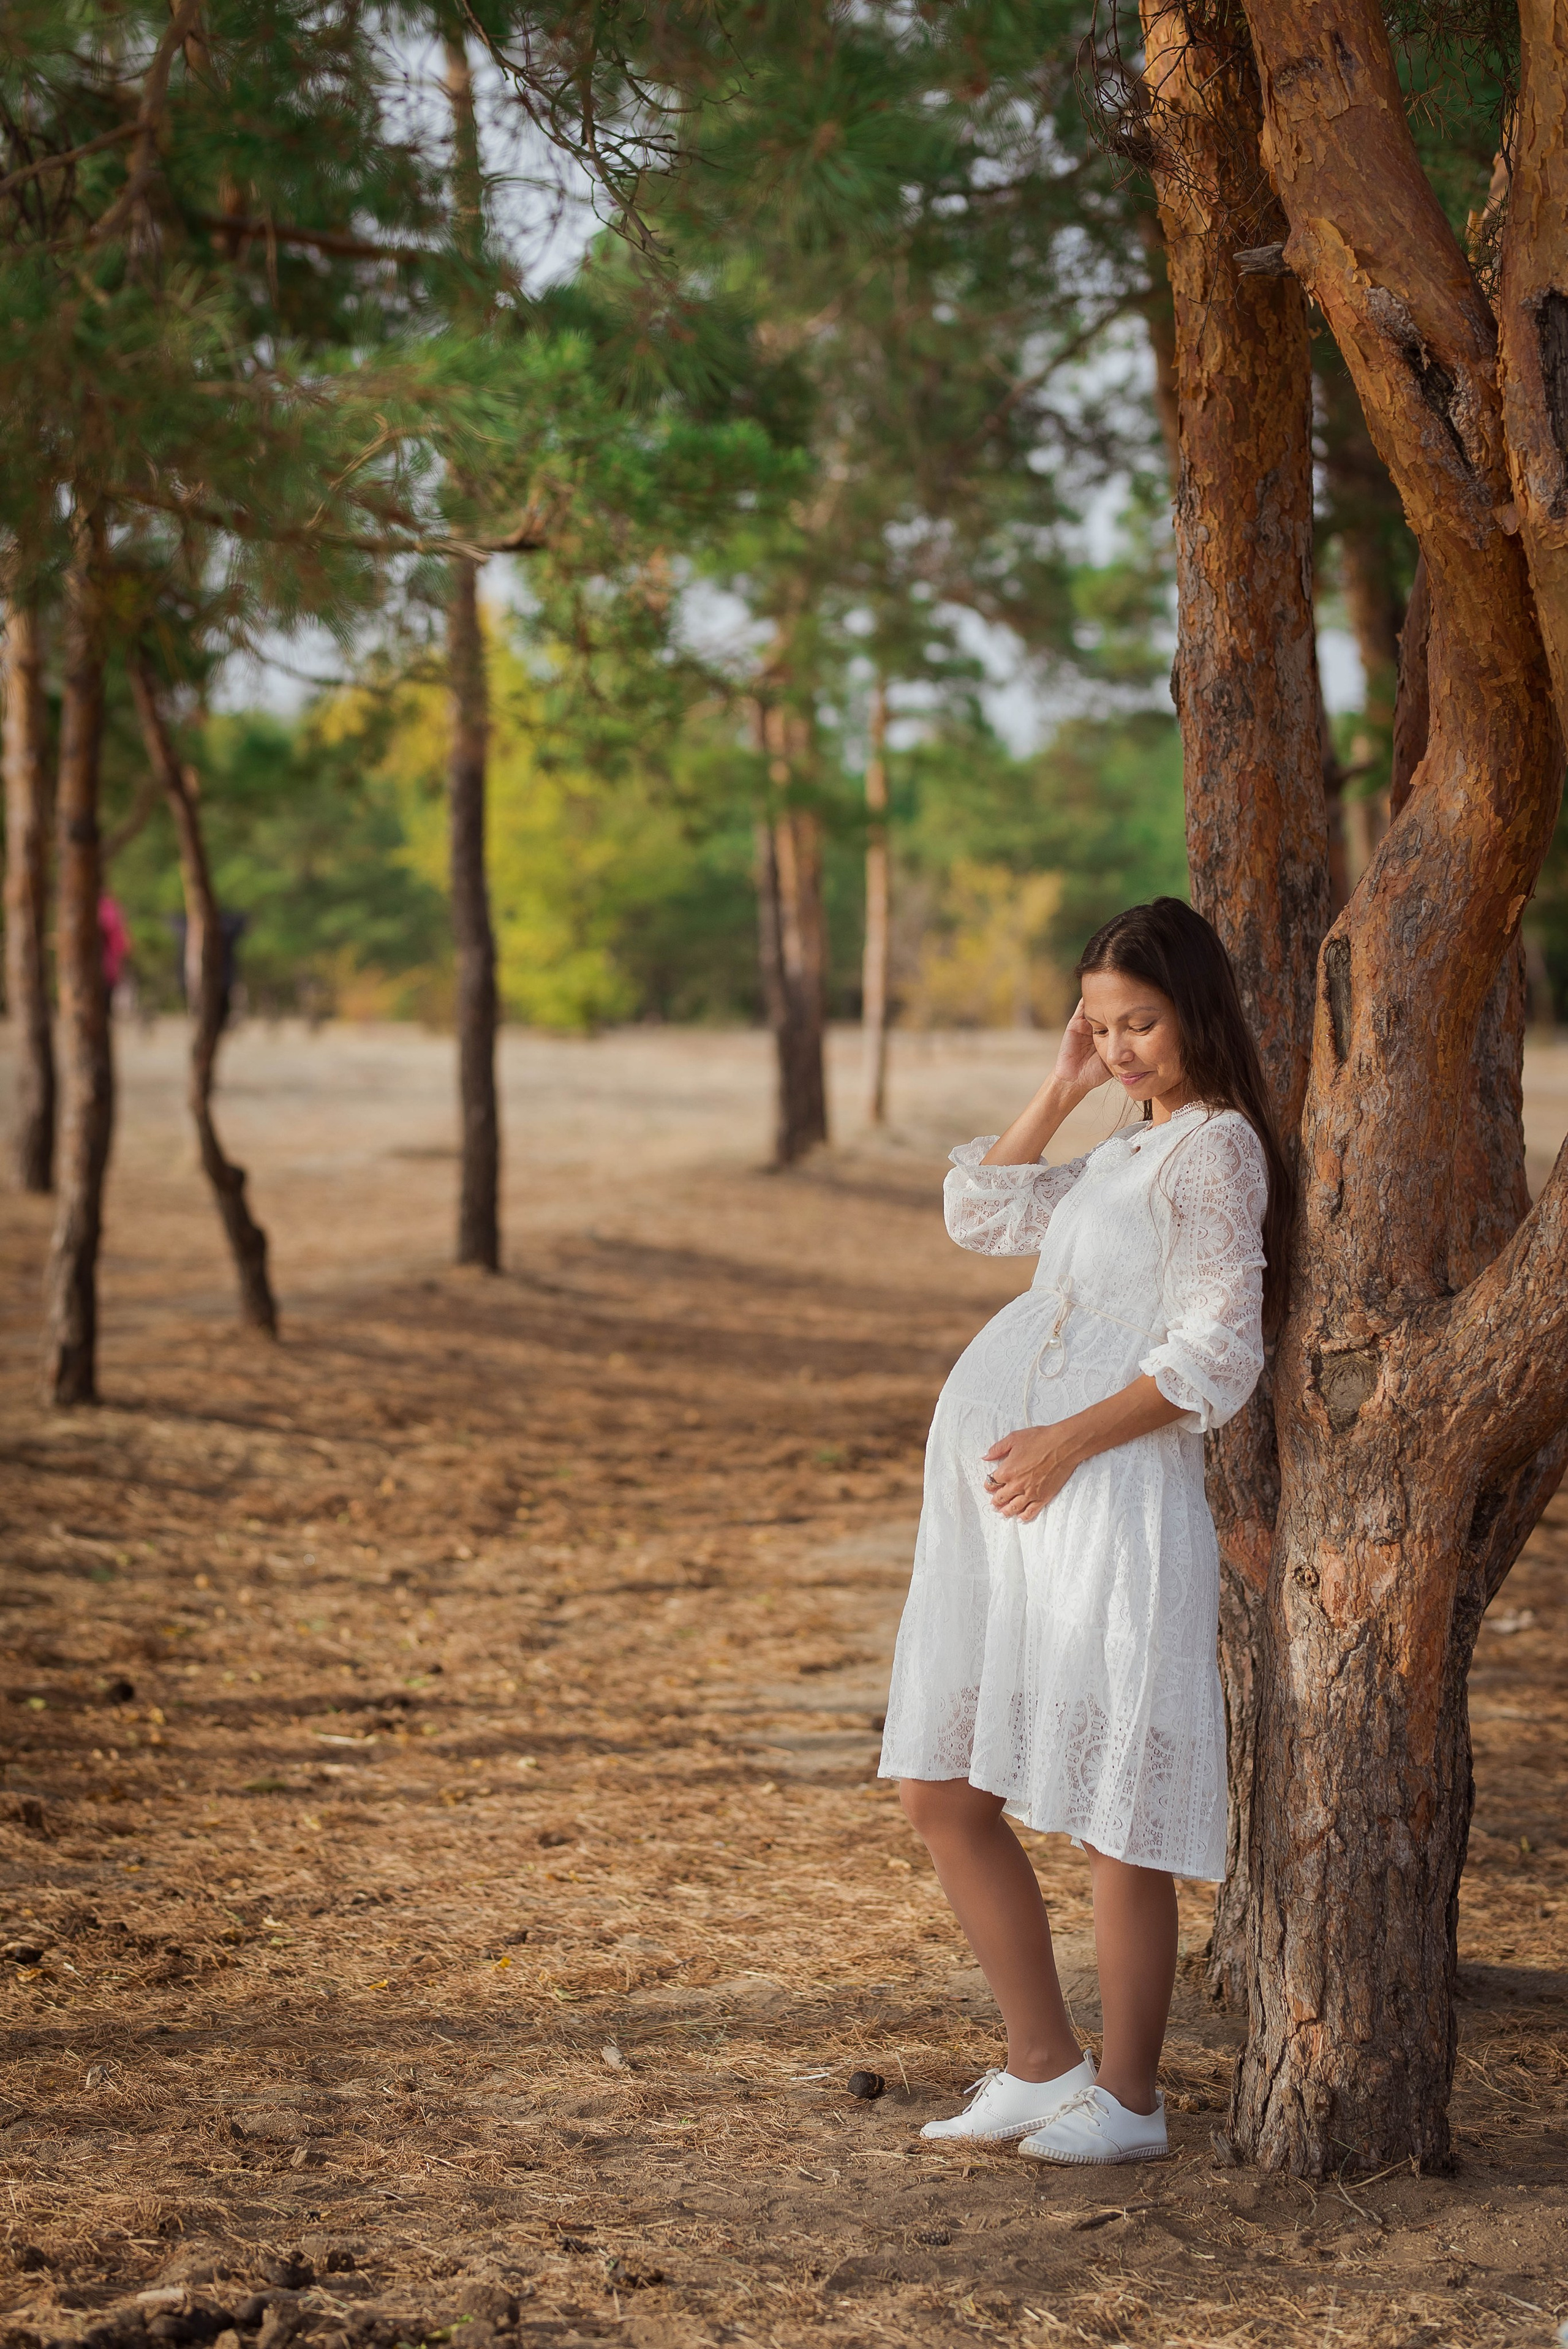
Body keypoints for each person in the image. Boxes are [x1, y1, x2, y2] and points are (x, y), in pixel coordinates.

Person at [878, 898, 1291, 2166]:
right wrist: (1061, 1088)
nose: (1118, 1048)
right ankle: (1038, 2063)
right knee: (940, 1787)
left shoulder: (1214, 1151)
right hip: (1011, 1518)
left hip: (1109, 1499)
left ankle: (1127, 2097)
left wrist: (1065, 1441)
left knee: (1122, 1808)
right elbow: (982, 1213)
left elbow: (1216, 1349)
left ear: (1198, 1011)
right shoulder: (1128, 1140)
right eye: (1099, 1025)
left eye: (1140, 1024)